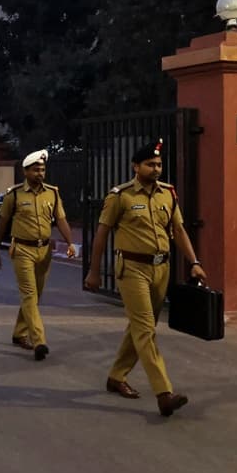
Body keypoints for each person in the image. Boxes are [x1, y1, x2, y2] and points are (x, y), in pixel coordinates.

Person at [84, 138, 207, 417]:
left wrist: (194, 262)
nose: (156, 169)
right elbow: (102, 233)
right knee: (145, 329)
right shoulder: (120, 196)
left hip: (161, 268)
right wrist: (93, 271)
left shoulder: (168, 194)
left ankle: (116, 376)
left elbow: (179, 230)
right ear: (135, 167)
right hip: (132, 269)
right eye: (150, 164)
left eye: (159, 164)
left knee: (142, 325)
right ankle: (164, 393)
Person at [0, 148, 76, 361]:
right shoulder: (14, 194)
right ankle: (39, 341)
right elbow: (2, 224)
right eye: (36, 170)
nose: (40, 173)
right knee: (29, 294)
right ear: (26, 171)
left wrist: (70, 243)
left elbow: (61, 219)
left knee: (35, 295)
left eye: (42, 169)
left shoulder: (52, 193)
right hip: (22, 250)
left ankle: (19, 333)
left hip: (44, 250)